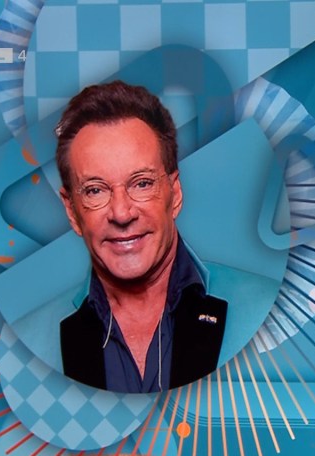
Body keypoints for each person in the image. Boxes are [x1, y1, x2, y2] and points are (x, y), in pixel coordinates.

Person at [56, 81, 227, 393]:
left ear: (175, 193)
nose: (122, 213)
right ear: (71, 211)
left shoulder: (269, 311)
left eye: (142, 183)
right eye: (95, 190)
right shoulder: (29, 343)